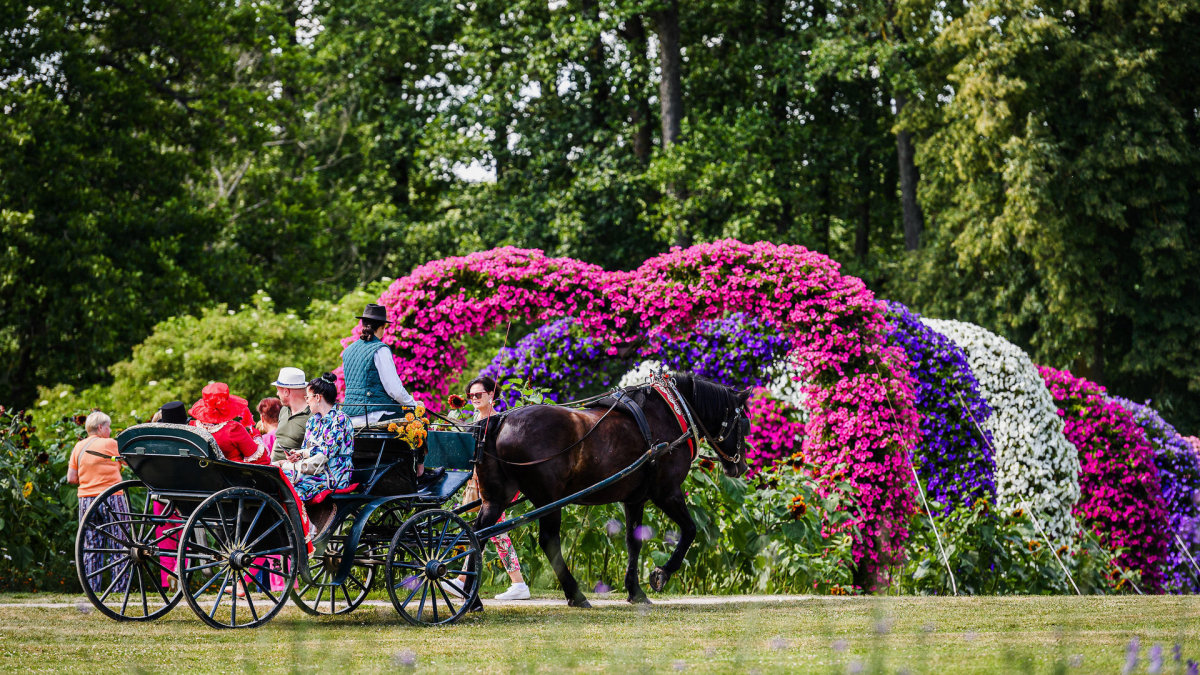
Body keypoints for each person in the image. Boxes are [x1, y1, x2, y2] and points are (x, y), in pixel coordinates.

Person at [459, 376, 530, 601]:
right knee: (494, 532)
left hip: (497, 485)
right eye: (471, 395)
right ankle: (516, 584)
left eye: (478, 394)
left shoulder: (499, 422)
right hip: (479, 484)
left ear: (491, 395)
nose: (474, 399)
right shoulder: (475, 420)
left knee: (494, 530)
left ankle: (464, 579)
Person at [68, 411, 129, 592]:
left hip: (86, 500)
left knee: (91, 545)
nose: (110, 431)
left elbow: (71, 478)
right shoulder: (110, 444)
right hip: (112, 498)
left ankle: (92, 589)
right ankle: (119, 589)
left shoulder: (78, 447)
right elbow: (128, 462)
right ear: (101, 427)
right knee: (120, 544)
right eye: (108, 427)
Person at [280, 373, 355, 504]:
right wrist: (297, 456)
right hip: (314, 471)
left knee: (287, 486)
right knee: (279, 479)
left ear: (318, 397)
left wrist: (303, 453)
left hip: (333, 475)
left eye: (307, 397)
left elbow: (328, 451)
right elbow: (306, 451)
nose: (306, 401)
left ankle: (303, 524)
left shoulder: (340, 419)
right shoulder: (312, 422)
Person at [188, 382, 269, 464]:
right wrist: (256, 436)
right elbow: (260, 460)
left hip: (203, 474)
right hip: (232, 474)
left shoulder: (192, 426)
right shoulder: (233, 429)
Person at [271, 367, 310, 463]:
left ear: (286, 391)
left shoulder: (312, 415)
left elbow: (314, 453)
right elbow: (278, 440)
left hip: (293, 472)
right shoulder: (284, 410)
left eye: (278, 390)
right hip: (273, 468)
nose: (277, 393)